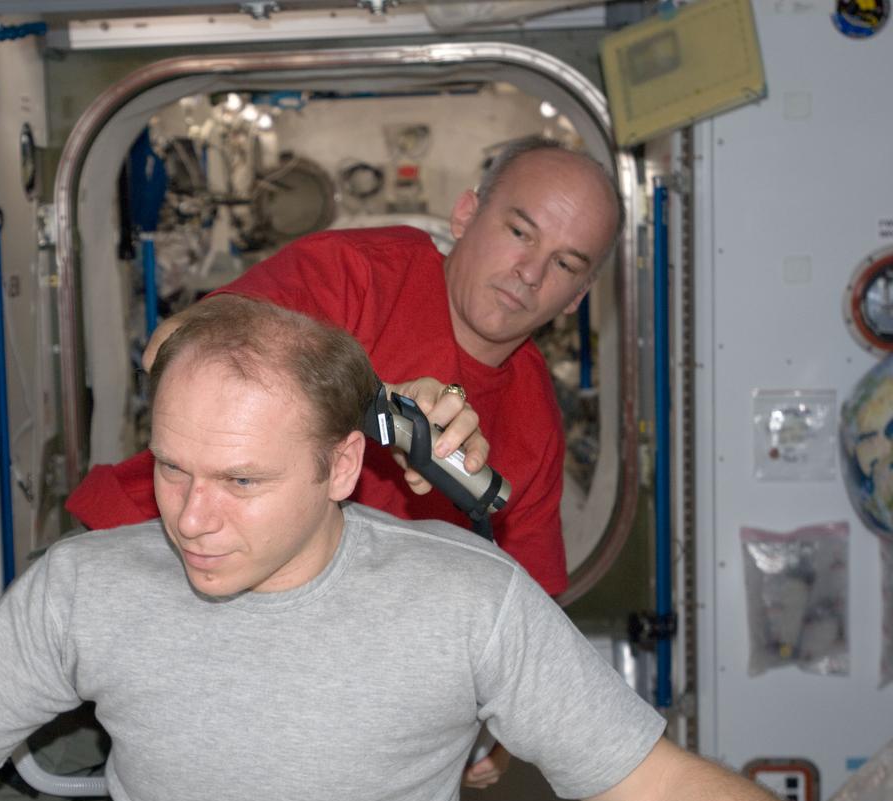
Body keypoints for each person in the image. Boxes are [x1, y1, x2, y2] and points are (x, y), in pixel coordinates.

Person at [0, 298, 889, 801]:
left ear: (344, 466)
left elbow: (661, 794)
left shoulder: (465, 601)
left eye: (241, 482)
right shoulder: (87, 586)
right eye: (169, 468)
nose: (190, 520)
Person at [68, 135, 622, 603]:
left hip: (323, 642)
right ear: (466, 215)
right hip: (155, 563)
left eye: (565, 263)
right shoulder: (358, 274)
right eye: (519, 233)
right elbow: (169, 347)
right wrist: (378, 405)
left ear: (577, 296)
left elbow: (533, 621)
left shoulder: (535, 425)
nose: (529, 272)